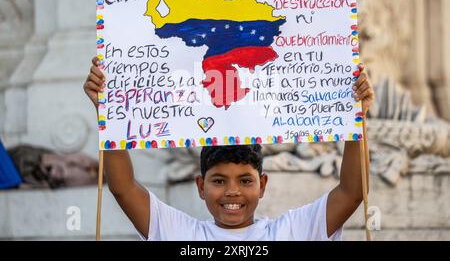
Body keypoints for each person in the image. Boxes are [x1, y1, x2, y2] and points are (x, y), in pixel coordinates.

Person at [84, 56, 374, 241]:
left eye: (245, 180)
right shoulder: (181, 233)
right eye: (219, 181)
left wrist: (356, 118)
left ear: (262, 185)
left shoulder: (291, 232)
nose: (232, 192)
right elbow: (122, 187)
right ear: (200, 185)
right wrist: (108, 115)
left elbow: (352, 191)